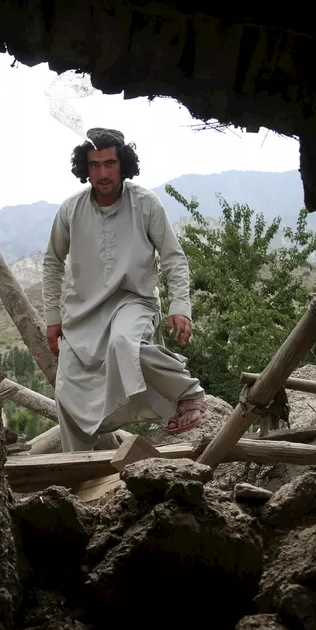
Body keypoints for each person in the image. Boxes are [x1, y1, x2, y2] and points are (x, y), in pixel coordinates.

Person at [41, 127, 208, 452]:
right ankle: (79, 473)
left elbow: (173, 257)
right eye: (94, 165)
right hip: (83, 313)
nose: (102, 173)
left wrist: (179, 307)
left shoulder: (146, 204)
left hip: (134, 303)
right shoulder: (70, 210)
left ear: (123, 164)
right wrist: (52, 316)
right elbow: (52, 262)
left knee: (123, 344)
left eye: (109, 164)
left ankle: (189, 394)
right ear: (85, 168)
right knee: (67, 394)